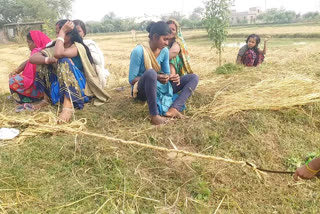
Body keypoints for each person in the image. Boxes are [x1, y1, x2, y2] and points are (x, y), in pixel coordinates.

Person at [29, 20, 110, 123]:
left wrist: (62, 33)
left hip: (80, 91)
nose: (58, 35)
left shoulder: (77, 47)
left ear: (70, 34)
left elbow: (59, 54)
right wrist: (49, 60)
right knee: (44, 62)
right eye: (57, 32)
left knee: (64, 61)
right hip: (60, 90)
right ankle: (46, 99)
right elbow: (33, 58)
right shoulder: (55, 46)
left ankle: (68, 107)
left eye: (61, 32)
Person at [128, 21, 198, 125]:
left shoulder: (164, 51)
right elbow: (132, 80)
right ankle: (155, 116)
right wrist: (156, 77)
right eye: (165, 39)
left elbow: (166, 74)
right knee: (151, 73)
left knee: (193, 78)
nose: (167, 43)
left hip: (161, 86)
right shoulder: (139, 51)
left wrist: (173, 77)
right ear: (155, 37)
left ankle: (174, 108)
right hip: (143, 90)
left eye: (168, 40)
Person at [9, 31, 51, 104]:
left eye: (29, 42)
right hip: (48, 88)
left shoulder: (36, 51)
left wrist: (16, 72)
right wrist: (17, 70)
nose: (28, 45)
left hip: (40, 89)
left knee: (12, 80)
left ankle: (27, 99)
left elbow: (31, 76)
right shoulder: (47, 50)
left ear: (35, 42)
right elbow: (28, 61)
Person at [73, 19, 109, 88]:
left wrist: (83, 50)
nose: (76, 34)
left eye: (79, 31)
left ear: (84, 32)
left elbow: (98, 61)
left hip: (90, 76)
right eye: (73, 32)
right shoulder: (67, 46)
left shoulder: (89, 44)